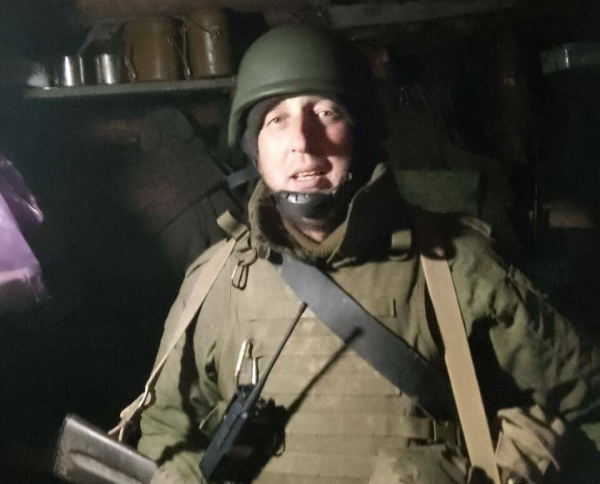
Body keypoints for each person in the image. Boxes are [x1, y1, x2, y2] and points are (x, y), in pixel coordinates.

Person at [138, 25, 600, 484]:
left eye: (326, 113)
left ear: (361, 131)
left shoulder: (456, 265)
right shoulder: (215, 281)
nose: (303, 141)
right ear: (253, 148)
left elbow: (587, 408)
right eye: (276, 120)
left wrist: (517, 466)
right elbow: (166, 434)